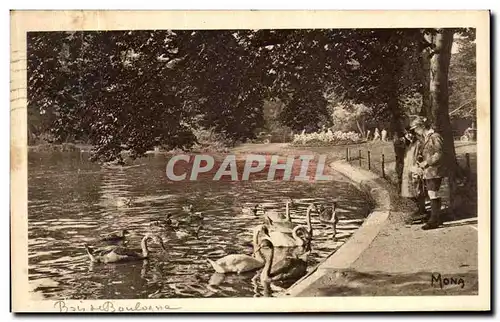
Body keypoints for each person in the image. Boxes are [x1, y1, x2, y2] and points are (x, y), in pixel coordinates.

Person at [409, 116, 446, 230]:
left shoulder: (435, 136)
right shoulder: (425, 138)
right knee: (432, 194)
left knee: (433, 193)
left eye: (416, 128)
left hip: (435, 170)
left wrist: (426, 163)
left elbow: (439, 153)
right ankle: (436, 219)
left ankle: (434, 221)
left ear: (421, 126)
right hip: (429, 171)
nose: (415, 131)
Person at [400, 128, 426, 221]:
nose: (408, 135)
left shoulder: (418, 143)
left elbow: (420, 156)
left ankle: (422, 210)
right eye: (406, 134)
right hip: (408, 170)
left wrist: (418, 166)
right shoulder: (408, 145)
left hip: (415, 169)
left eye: (410, 133)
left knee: (418, 190)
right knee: (410, 191)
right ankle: (417, 209)